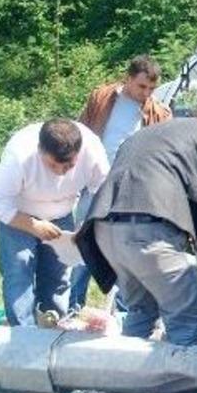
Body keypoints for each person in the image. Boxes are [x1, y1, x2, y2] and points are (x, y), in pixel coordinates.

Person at [76, 105, 197, 393]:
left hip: (105, 229)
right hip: (152, 230)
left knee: (139, 313)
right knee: (187, 327)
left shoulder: (146, 133)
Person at [0, 118, 109, 327]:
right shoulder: (20, 155)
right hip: (18, 216)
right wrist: (33, 225)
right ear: (40, 150)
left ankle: (53, 330)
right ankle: (23, 333)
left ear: (79, 152)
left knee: (58, 275)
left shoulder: (93, 149)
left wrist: (87, 226)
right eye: (53, 165)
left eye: (69, 166)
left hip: (63, 215)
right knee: (19, 272)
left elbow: (104, 192)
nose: (60, 172)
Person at [71, 54, 172, 310]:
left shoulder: (157, 113)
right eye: (141, 86)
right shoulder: (102, 99)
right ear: (127, 79)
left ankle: (124, 310)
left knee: (124, 250)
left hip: (129, 190)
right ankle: (73, 305)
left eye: (151, 88)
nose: (146, 92)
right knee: (82, 242)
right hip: (94, 184)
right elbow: (81, 132)